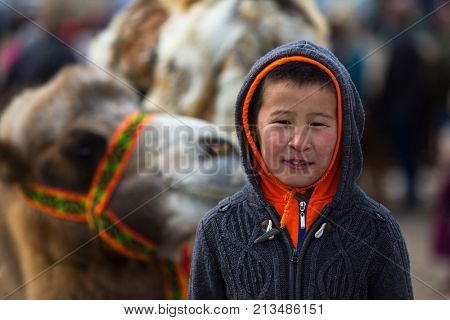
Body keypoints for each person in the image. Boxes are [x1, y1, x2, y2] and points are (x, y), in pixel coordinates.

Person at [188, 40, 413, 299]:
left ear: (345, 132)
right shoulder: (218, 229)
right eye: (282, 122)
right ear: (252, 129)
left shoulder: (377, 231)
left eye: (317, 124)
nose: (298, 142)